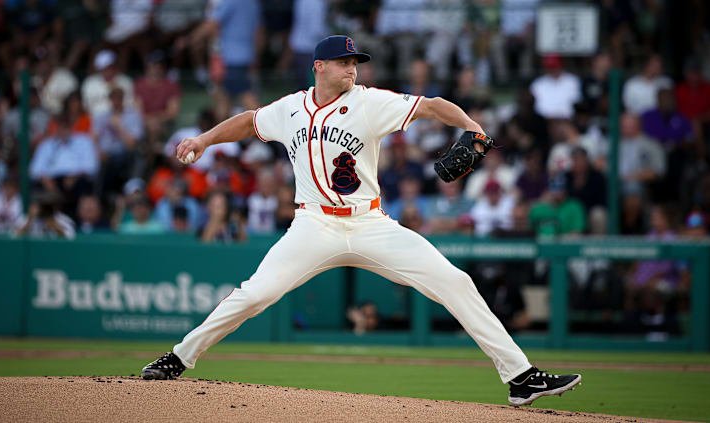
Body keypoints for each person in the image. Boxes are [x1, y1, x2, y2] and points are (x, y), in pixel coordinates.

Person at [141, 35, 581, 407]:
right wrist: (203, 139)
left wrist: (473, 127)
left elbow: (431, 106)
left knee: (454, 281)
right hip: (313, 226)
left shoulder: (369, 102)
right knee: (255, 295)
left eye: (355, 62)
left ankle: (520, 378)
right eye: (344, 62)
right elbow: (248, 122)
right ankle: (179, 357)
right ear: (319, 67)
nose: (352, 68)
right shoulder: (290, 108)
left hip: (371, 224)